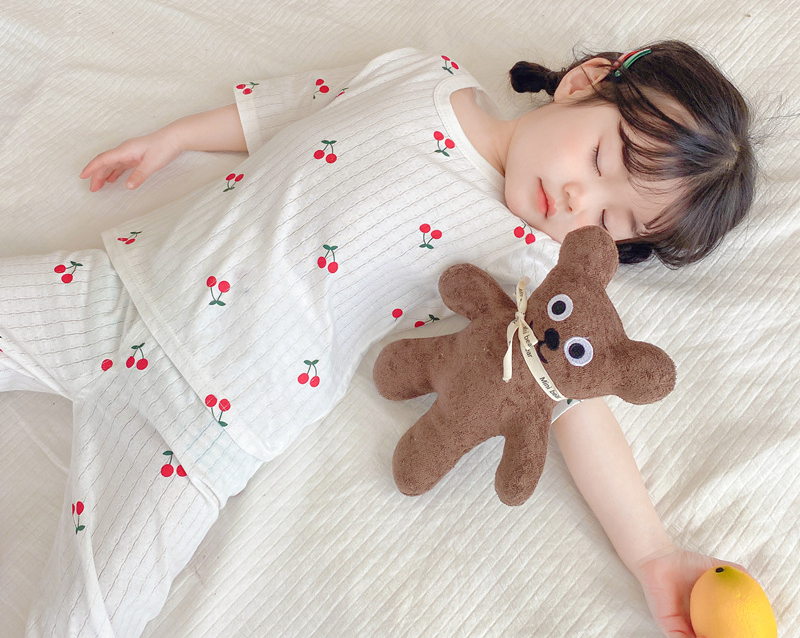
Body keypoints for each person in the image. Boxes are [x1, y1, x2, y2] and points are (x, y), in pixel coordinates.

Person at [1, 42, 755, 637]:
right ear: (584, 81)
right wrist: (177, 138)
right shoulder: (424, 73)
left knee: (85, 618)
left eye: (612, 223)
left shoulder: (532, 268)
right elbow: (291, 109)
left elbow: (577, 404)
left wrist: (652, 552)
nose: (577, 200)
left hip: (207, 415)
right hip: (115, 289)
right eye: (599, 160)